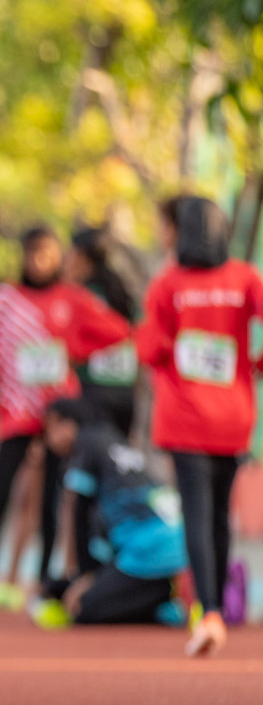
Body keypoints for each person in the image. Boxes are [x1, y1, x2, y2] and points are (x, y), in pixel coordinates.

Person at [0, 226, 130, 613]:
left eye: (49, 254)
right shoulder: (3, 301)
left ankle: (40, 585)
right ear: (24, 256)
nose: (41, 262)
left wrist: (73, 351)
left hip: (58, 419)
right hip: (15, 415)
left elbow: (117, 331)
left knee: (54, 503)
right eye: (34, 254)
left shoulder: (73, 299)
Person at [135, 195, 263, 657]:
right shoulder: (246, 278)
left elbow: (148, 349)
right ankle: (215, 609)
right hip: (233, 417)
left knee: (196, 513)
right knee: (219, 516)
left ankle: (207, 611)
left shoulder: (167, 284)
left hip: (185, 417)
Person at [34, 398, 187, 628]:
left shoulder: (84, 444)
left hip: (148, 551)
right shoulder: (110, 438)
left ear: (65, 424)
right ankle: (163, 592)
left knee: (84, 608)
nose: (48, 440)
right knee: (60, 588)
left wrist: (85, 576)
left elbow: (79, 514)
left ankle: (163, 601)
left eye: (49, 430)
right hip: (170, 540)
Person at [67, 227, 141, 438]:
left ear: (83, 256)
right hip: (125, 391)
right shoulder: (123, 293)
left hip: (91, 389)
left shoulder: (80, 297)